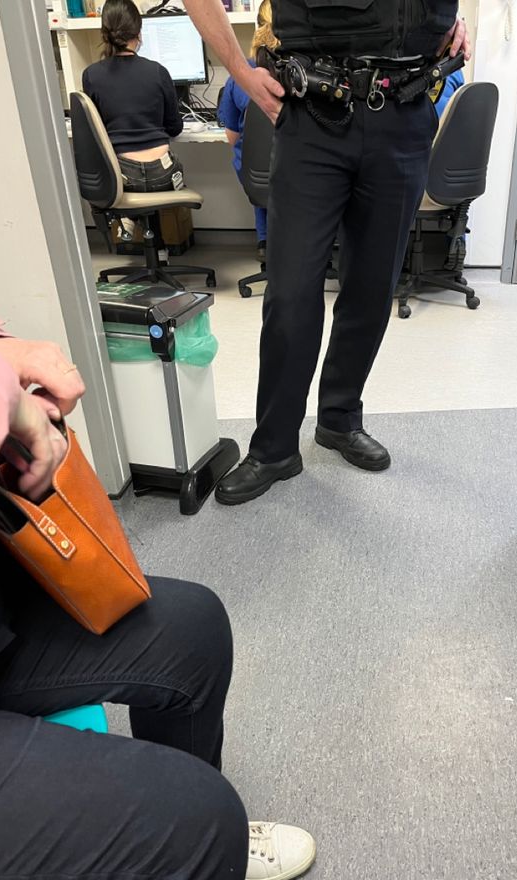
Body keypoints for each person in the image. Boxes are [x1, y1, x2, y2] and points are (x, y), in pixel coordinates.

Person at [0, 306, 316, 880]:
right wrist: (0, 392)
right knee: (193, 830)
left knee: (193, 631)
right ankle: (187, 848)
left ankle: (192, 838)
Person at [183, 0, 470, 504]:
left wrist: (452, 19)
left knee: (372, 287)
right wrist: (240, 71)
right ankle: (274, 448)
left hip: (405, 113)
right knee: (291, 291)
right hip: (315, 113)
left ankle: (339, 419)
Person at [82, 0, 185, 195]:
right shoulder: (158, 72)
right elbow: (175, 128)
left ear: (105, 34)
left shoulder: (91, 75)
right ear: (138, 32)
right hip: (162, 174)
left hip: (120, 175)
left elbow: (96, 131)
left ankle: (127, 222)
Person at [218, 0, 279, 263]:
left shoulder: (240, 76)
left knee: (256, 161)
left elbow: (233, 139)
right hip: (301, 176)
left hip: (256, 177)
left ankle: (264, 242)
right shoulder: (301, 75)